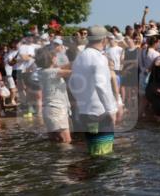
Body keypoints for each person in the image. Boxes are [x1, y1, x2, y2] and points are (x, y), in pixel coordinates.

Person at [69, 26, 119, 156]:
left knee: (93, 149)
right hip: (100, 112)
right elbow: (101, 85)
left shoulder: (79, 57)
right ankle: (104, 175)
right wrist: (111, 110)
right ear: (103, 40)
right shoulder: (99, 58)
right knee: (104, 152)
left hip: (85, 111)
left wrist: (80, 101)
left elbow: (72, 83)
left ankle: (94, 174)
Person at [36, 47, 72, 142]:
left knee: (55, 141)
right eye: (55, 57)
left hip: (48, 110)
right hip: (57, 109)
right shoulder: (52, 72)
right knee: (66, 141)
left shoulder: (41, 72)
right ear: (52, 59)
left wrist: (73, 62)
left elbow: (63, 68)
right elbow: (72, 72)